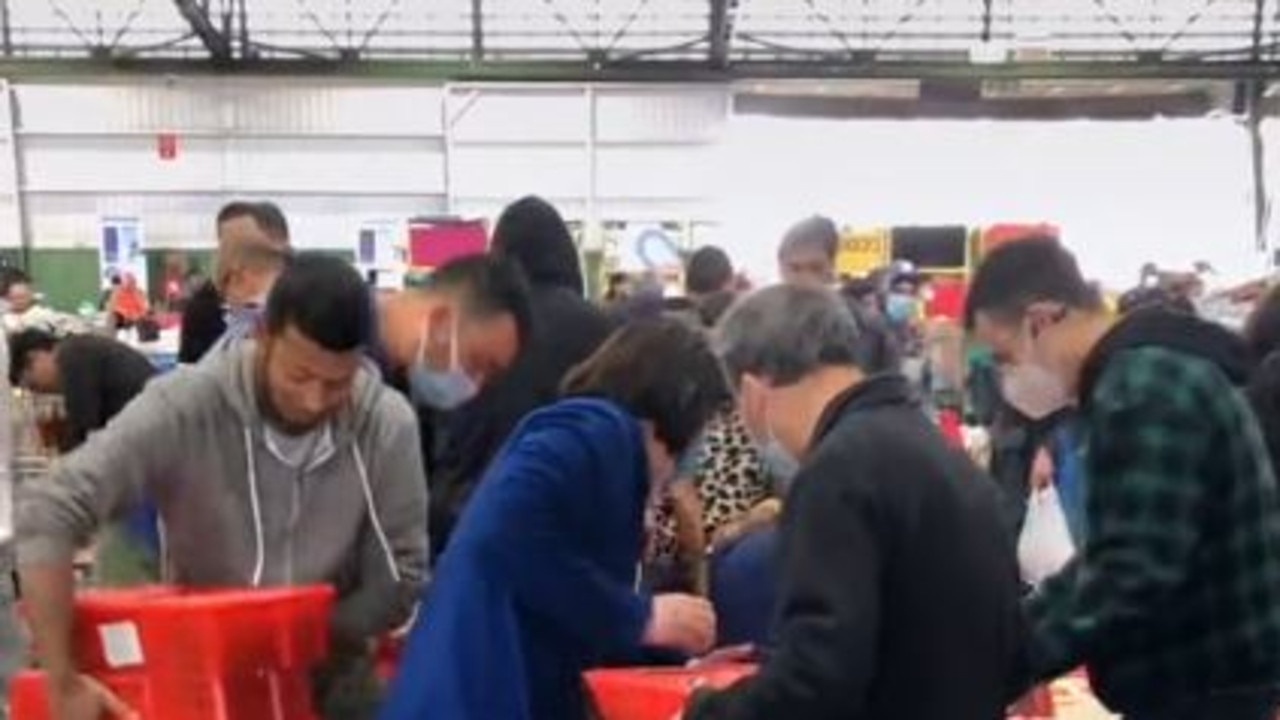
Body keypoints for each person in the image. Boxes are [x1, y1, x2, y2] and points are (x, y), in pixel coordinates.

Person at [17, 253, 428, 720]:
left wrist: (290, 638)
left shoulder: (385, 423)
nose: (315, 399)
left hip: (332, 682)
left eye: (338, 384)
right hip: (201, 683)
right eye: (299, 376)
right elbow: (50, 512)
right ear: (263, 337)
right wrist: (62, 679)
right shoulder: (186, 406)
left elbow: (402, 576)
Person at [966, 237, 1280, 719]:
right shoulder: (1145, 372)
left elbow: (1131, 570)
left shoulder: (1143, 387)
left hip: (1205, 695)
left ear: (1041, 322)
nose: (1006, 380)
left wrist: (997, 660)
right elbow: (1115, 555)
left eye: (1003, 358)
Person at [684, 285, 1023, 720]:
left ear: (751, 393)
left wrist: (708, 711)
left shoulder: (837, 471)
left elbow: (817, 677)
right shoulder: (940, 454)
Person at [379, 319, 726, 720]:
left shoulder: (610, 457)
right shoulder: (596, 432)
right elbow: (503, 534)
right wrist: (640, 617)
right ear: (680, 406)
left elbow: (571, 601)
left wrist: (676, 657)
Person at [425, 197, 611, 559]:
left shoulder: (469, 323)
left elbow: (438, 424)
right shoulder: (602, 330)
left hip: (468, 514)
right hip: (566, 521)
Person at [178, 200, 290, 364]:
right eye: (223, 245)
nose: (228, 258)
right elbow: (189, 370)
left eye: (243, 248)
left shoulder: (303, 299)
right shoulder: (203, 307)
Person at [9, 329, 156, 452]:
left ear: (34, 357)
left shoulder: (73, 356)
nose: (40, 393)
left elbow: (82, 431)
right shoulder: (79, 348)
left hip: (154, 440)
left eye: (33, 385)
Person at [203, 238, 292, 360]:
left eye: (224, 289)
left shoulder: (251, 322)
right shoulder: (290, 315)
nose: (226, 299)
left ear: (238, 277)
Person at [2, 280, 82, 336]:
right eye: (15, 298)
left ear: (30, 296)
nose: (19, 301)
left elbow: (67, 323)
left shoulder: (42, 313)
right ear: (8, 298)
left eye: (22, 297)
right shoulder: (5, 317)